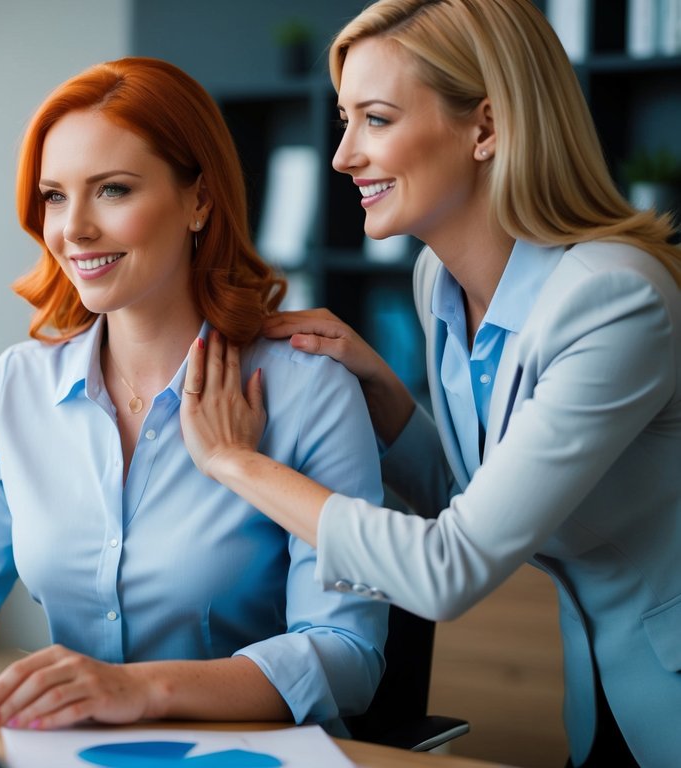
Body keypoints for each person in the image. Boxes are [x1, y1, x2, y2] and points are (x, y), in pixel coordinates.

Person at [0, 57, 389, 733]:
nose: (73, 228)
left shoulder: (308, 390)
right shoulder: (19, 385)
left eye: (111, 190)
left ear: (198, 200)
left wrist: (138, 689)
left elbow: (345, 653)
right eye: (54, 195)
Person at [179, 2, 681, 766]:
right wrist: (387, 399)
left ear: (485, 128)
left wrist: (235, 463)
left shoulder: (615, 301)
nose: (342, 155)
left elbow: (450, 568)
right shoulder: (436, 282)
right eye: (345, 119)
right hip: (601, 693)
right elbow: (485, 493)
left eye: (374, 119)